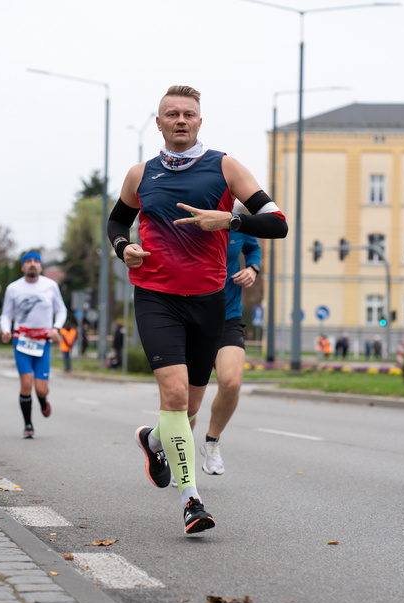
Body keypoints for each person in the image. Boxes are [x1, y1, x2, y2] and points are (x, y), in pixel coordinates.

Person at [107, 85, 288, 535]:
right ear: (160, 123)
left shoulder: (225, 167)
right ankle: (192, 501)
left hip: (209, 303)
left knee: (186, 410)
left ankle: (153, 439)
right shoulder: (140, 174)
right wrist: (123, 247)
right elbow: (116, 221)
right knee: (172, 396)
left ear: (200, 122)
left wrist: (228, 219)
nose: (181, 120)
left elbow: (277, 223)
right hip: (156, 297)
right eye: (172, 114)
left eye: (189, 113)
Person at [192, 231, 261, 477]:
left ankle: (211, 443)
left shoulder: (237, 223)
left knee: (231, 382)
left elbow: (253, 248)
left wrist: (253, 268)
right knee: (187, 403)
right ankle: (180, 451)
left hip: (228, 316)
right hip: (189, 319)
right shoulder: (184, 219)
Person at [0, 251, 67, 438]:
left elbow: (61, 310)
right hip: (21, 340)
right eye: (28, 261)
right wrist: (6, 329)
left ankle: (43, 398)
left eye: (35, 261)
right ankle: (28, 424)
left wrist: (56, 328)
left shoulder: (50, 286)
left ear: (40, 266)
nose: (32, 264)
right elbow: (6, 314)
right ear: (22, 267)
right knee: (26, 383)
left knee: (40, 388)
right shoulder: (13, 288)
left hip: (43, 341)